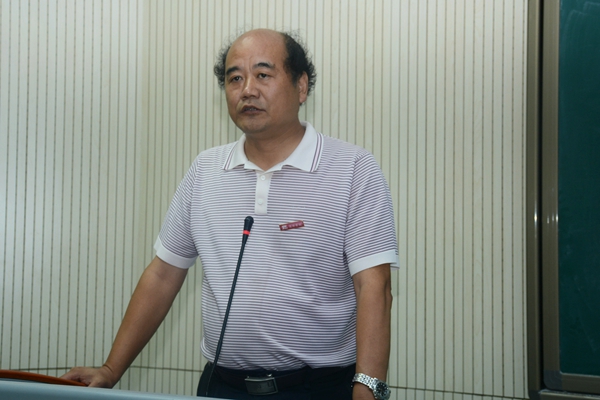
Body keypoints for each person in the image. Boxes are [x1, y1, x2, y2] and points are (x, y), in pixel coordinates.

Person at [62, 29, 398, 400]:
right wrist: (111, 370)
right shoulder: (205, 170)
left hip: (319, 387)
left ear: (301, 86)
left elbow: (374, 287)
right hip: (221, 385)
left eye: (263, 75)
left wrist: (368, 389)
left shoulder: (352, 168)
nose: (247, 90)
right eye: (234, 78)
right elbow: (163, 274)